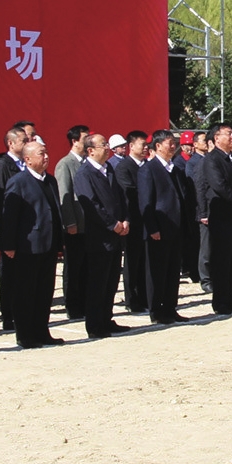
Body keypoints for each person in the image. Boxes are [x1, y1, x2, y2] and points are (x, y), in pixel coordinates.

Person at [0, 139, 65, 349]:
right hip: (27, 246)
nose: (46, 157)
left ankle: (42, 330)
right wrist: (8, 244)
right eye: (40, 154)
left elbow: (55, 213)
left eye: (46, 153)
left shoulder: (50, 181)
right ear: (27, 159)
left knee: (45, 291)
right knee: (25, 292)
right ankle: (25, 334)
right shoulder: (19, 181)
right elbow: (10, 216)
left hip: (48, 244)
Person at [74, 134, 131, 337]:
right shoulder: (85, 173)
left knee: (111, 281)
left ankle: (106, 319)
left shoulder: (109, 170)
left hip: (116, 235)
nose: (107, 148)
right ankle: (95, 324)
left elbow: (120, 198)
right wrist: (112, 224)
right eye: (103, 145)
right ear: (90, 150)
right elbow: (91, 205)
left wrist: (125, 220)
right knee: (97, 283)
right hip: (99, 237)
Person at [198, 124, 232, 315]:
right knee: (221, 260)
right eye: (228, 134)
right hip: (222, 216)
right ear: (216, 138)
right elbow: (220, 187)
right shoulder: (212, 160)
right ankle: (220, 301)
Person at [138, 130, 190, 324]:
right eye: (169, 142)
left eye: (173, 142)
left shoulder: (175, 168)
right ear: (158, 146)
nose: (172, 146)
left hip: (175, 227)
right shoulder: (148, 169)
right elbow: (146, 201)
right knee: (157, 271)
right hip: (159, 228)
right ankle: (156, 310)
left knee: (172, 270)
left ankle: (170, 307)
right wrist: (152, 227)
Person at [0, 127, 30, 333]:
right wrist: (8, 236)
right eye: (23, 140)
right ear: (11, 143)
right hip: (11, 231)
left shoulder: (27, 165)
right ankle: (8, 316)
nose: (27, 143)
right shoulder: (2, 166)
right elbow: (0, 203)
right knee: (10, 277)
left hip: (28, 231)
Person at [54, 125, 90, 321]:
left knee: (86, 267)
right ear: (75, 141)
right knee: (73, 267)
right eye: (85, 137)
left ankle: (85, 302)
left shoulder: (87, 162)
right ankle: (73, 304)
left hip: (89, 225)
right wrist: (69, 222)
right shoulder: (65, 164)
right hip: (75, 225)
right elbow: (64, 195)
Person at [114, 131, 150, 314]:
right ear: (131, 146)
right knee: (133, 261)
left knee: (146, 260)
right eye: (142, 145)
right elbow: (128, 192)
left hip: (148, 220)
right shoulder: (123, 167)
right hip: (133, 220)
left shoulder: (147, 166)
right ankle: (132, 298)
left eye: (146, 145)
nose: (145, 148)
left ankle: (145, 296)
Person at [183, 130, 212, 287]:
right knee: (203, 246)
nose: (206, 142)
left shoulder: (208, 159)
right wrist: (201, 211)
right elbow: (196, 187)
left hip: (211, 208)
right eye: (203, 140)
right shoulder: (193, 163)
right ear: (195, 144)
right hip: (200, 209)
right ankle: (203, 277)